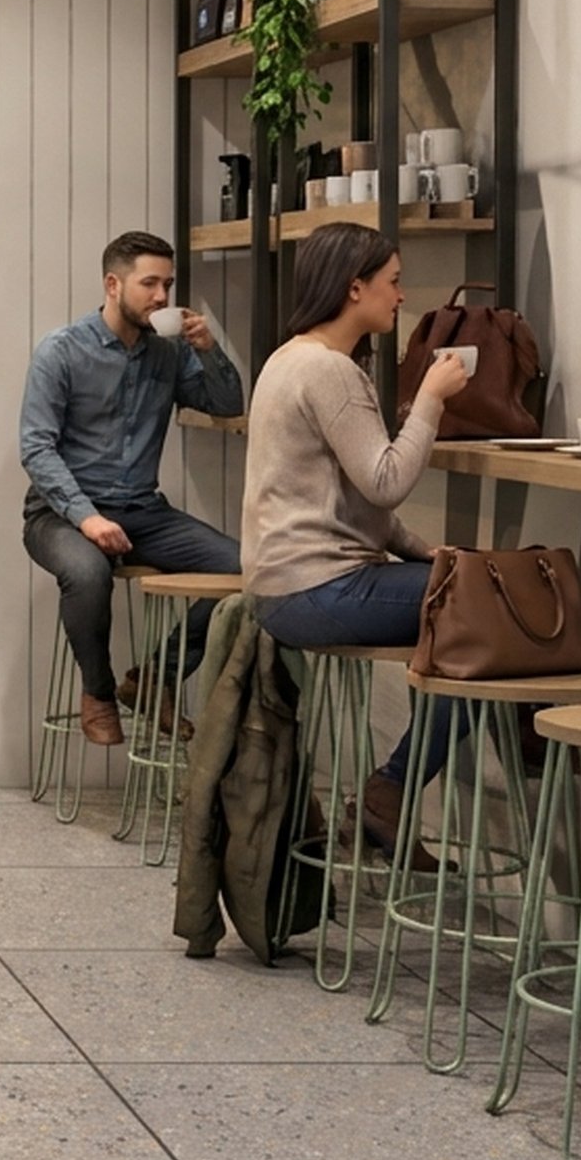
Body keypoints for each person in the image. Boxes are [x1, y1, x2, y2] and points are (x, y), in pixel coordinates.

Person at [241, 222, 473, 864]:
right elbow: (386, 480)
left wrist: (417, 551)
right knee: (486, 612)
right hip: (318, 590)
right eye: (393, 282)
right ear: (354, 288)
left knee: (467, 593)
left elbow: (342, 494)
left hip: (286, 586)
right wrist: (430, 398)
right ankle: (392, 790)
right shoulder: (329, 371)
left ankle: (401, 788)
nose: (401, 297)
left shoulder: (289, 358)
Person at [21, 230, 247, 747]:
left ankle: (156, 678)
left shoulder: (168, 353)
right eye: (149, 284)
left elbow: (227, 403)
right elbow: (36, 448)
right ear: (113, 284)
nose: (163, 297)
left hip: (143, 511)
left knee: (245, 569)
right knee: (88, 570)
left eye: (167, 284)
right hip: (59, 515)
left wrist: (209, 350)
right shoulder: (61, 350)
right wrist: (87, 517)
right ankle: (98, 693)